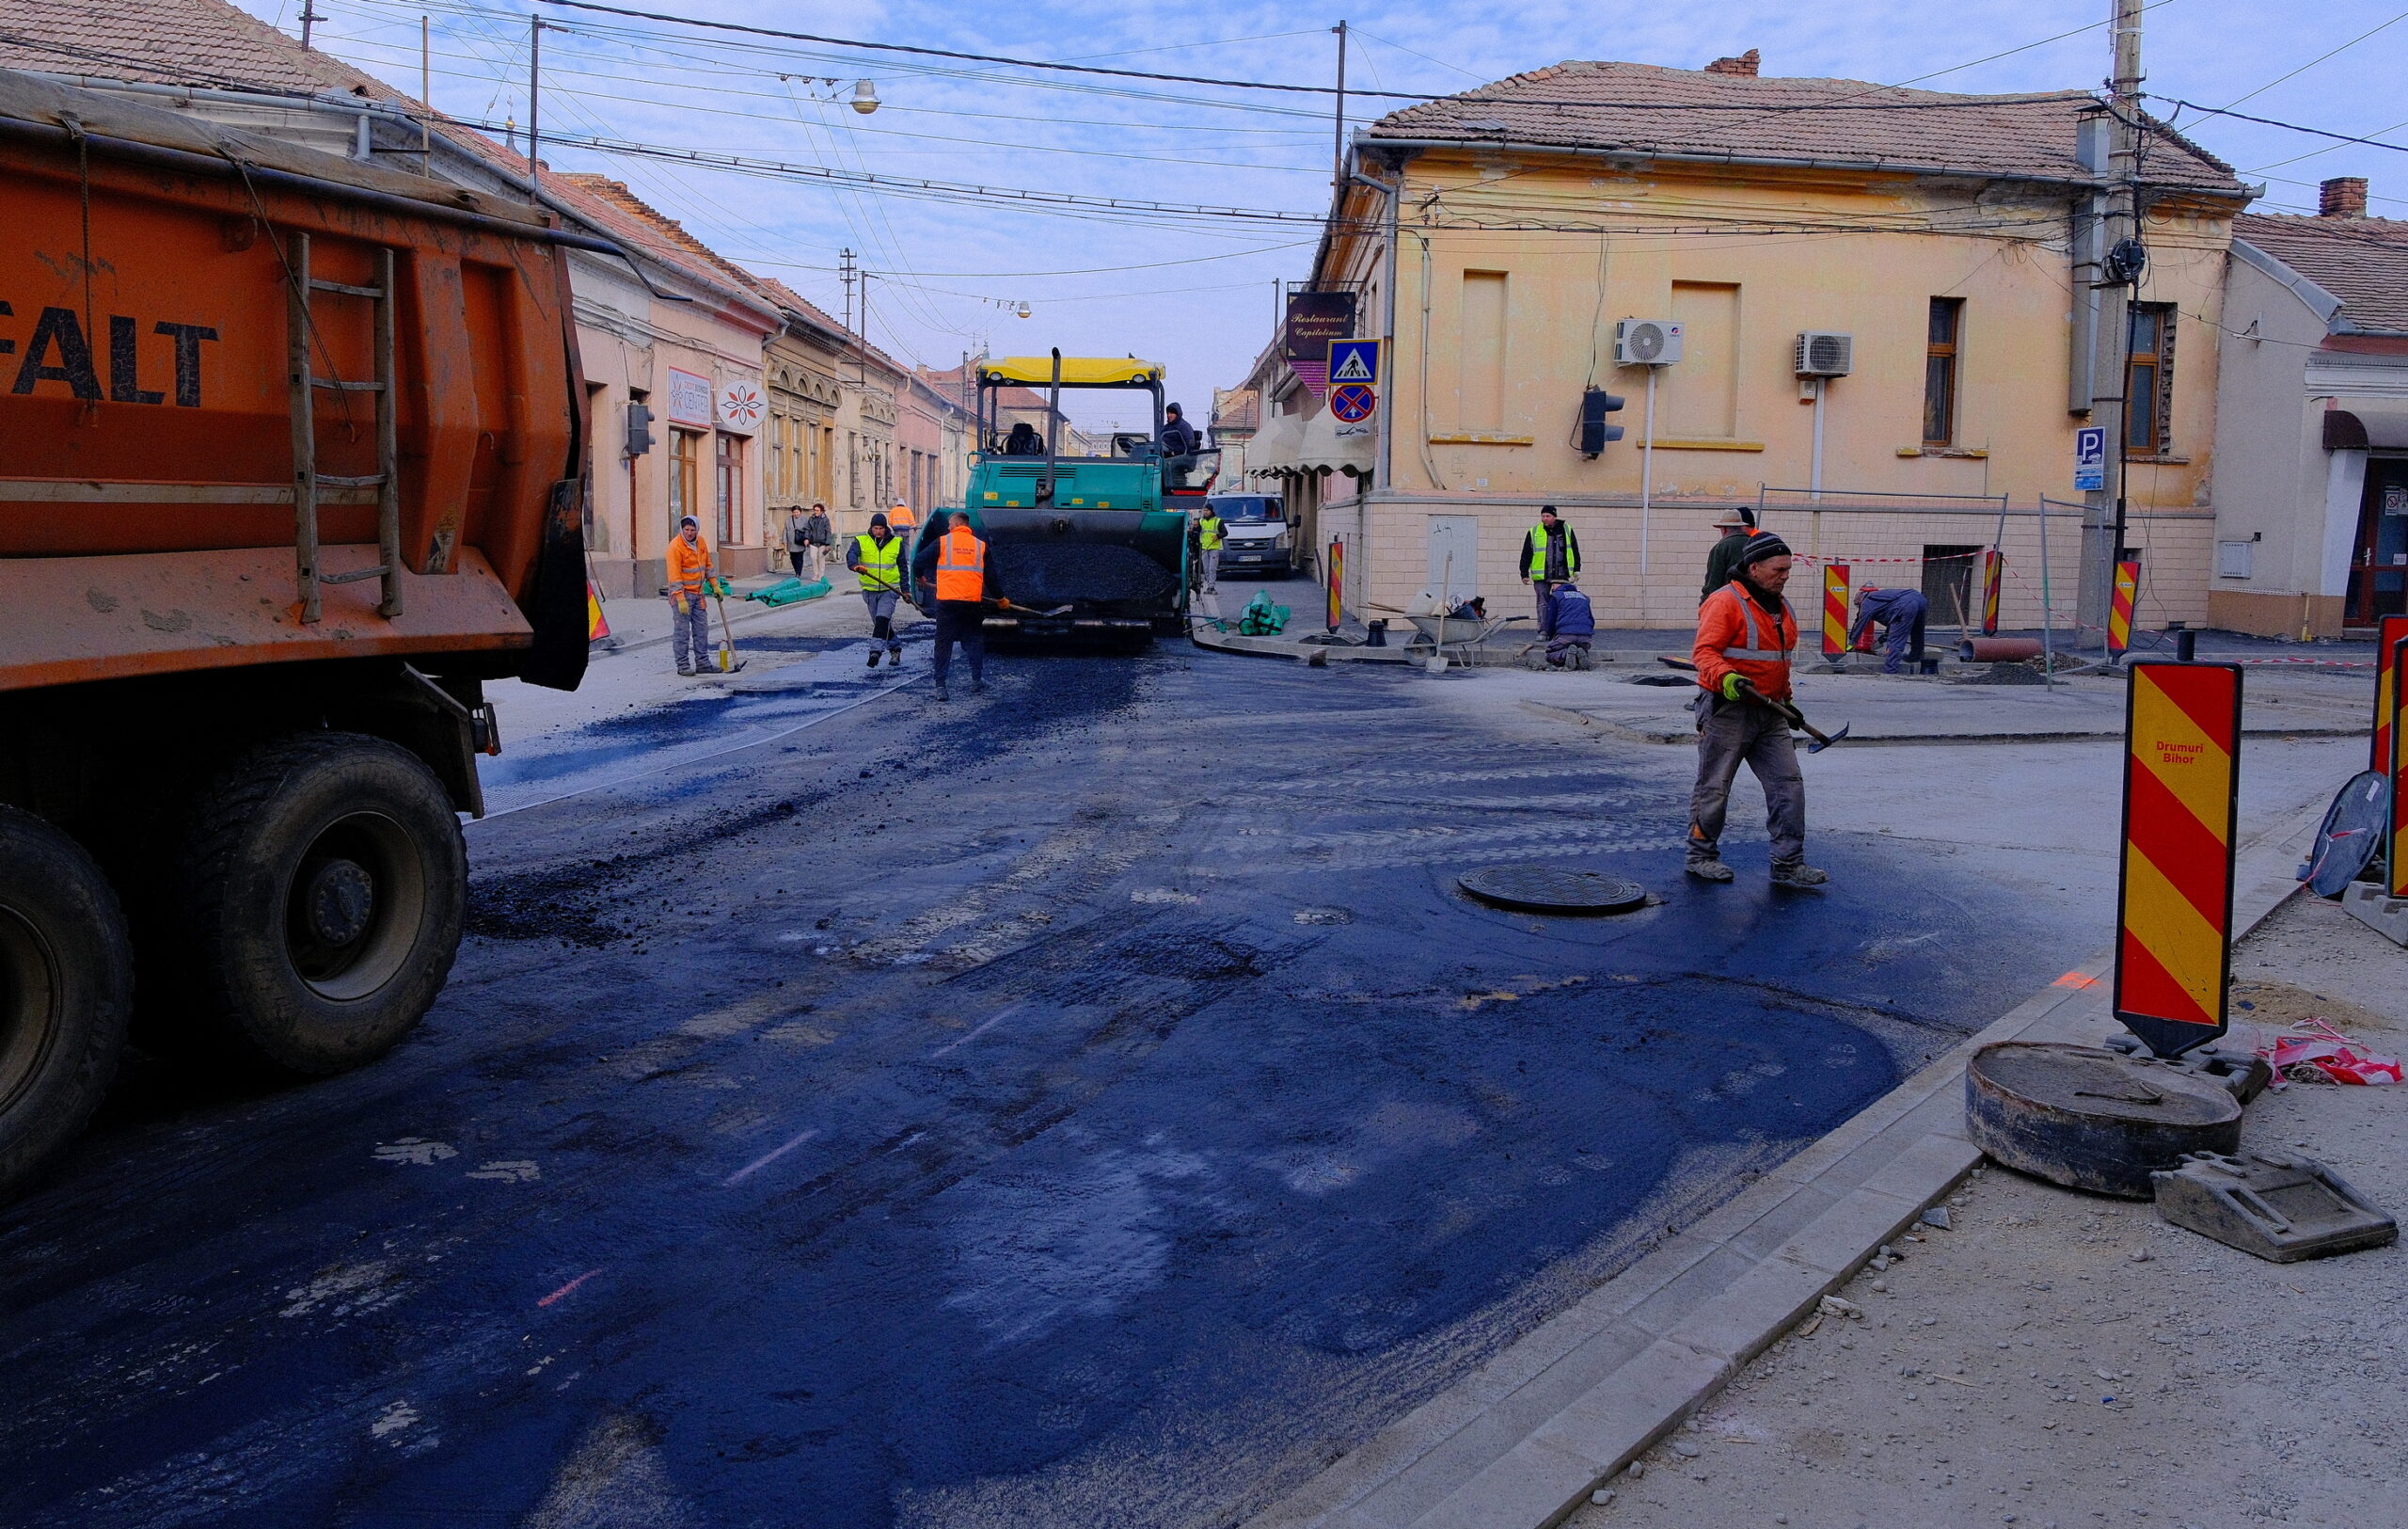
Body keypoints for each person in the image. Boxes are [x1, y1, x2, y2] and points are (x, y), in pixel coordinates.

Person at [1687, 534, 1828, 889]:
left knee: (1788, 786)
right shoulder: (1726, 602)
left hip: (1770, 711)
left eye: (1788, 570)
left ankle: (1788, 864)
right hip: (1728, 710)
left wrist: (1786, 700)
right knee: (1714, 786)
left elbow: (1779, 662)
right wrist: (1727, 677)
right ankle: (1701, 856)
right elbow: (1704, 654)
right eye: (1778, 569)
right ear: (1754, 568)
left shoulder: (1782, 607)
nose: (1785, 576)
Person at [911, 510, 988, 701]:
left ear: (955, 525)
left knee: (943, 643)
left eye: (949, 525)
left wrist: (920, 576)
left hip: (947, 602)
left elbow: (918, 560)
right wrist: (1001, 598)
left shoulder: (943, 542)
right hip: (971, 602)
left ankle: (940, 687)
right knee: (973, 640)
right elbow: (991, 576)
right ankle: (977, 681)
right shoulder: (980, 546)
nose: (947, 527)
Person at [848, 511, 905, 667]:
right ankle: (895, 649)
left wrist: (905, 590)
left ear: (886, 528)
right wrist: (855, 566)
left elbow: (903, 568)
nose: (878, 531)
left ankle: (875, 652)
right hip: (870, 590)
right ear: (871, 528)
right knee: (880, 623)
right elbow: (851, 555)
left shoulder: (897, 542)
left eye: (881, 528)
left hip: (890, 590)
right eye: (875, 528)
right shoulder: (860, 541)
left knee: (882, 620)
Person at [664, 513, 715, 677]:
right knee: (682, 632)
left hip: (698, 594)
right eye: (686, 530)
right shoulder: (675, 547)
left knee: (702, 630)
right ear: (682, 529)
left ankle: (703, 663)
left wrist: (714, 584)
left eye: (693, 530)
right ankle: (683, 665)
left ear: (697, 529)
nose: (689, 533)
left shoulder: (701, 542)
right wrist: (680, 598)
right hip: (682, 596)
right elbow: (674, 575)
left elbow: (708, 564)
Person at [1518, 505, 1581, 623]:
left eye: (1548, 516)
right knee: (1543, 604)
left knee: (1561, 603)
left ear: (1554, 517)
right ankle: (1543, 630)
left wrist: (1577, 569)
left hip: (1561, 575)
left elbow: (1575, 550)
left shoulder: (1566, 530)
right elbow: (1526, 554)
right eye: (1543, 516)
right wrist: (1524, 573)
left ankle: (1559, 629)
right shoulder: (1534, 532)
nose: (1544, 518)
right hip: (1542, 576)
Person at [1849, 586, 1930, 675]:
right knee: (1917, 633)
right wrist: (1884, 637)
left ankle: (1890, 670)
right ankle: (1915, 657)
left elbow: (1860, 622)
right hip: (1921, 599)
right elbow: (1891, 615)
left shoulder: (1867, 602)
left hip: (1906, 605)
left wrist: (1851, 643)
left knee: (1896, 640)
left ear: (1859, 600)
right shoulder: (1880, 597)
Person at [1700, 507, 1759, 603]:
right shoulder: (1755, 544)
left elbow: (1713, 583)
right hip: (1755, 603)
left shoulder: (1720, 548)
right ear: (1741, 527)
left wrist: (1704, 604)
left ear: (1724, 529)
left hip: (1729, 604)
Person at [1540, 580, 1595, 669]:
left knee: (1550, 653)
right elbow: (1591, 619)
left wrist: (1550, 636)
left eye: (1553, 585)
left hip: (1565, 635)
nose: (1552, 588)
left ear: (1558, 585)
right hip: (1585, 636)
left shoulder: (1556, 596)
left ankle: (1565, 655)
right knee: (1579, 648)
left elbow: (1551, 619)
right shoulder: (1584, 597)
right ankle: (1579, 654)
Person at [1192, 502, 1225, 620]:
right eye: (1204, 510)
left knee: (1212, 568)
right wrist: (1193, 530)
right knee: (1205, 568)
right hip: (1204, 547)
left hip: (1214, 547)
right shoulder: (1201, 521)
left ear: (1211, 511)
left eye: (1207, 510)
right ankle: (1208, 585)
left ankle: (1211, 587)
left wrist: (1218, 536)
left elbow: (1225, 532)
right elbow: (1197, 532)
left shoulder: (1218, 521)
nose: (1205, 512)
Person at [1161, 402, 1201, 487]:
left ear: (1177, 414)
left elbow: (1189, 445)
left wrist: (1174, 452)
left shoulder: (1184, 427)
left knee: (1174, 481)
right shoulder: (1165, 428)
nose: (1169, 415)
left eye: (1172, 413)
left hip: (1178, 458)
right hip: (1164, 457)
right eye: (1168, 413)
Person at [803, 502, 833, 580]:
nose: (815, 512)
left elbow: (828, 532)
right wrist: (806, 538)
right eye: (815, 510)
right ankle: (816, 573)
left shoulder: (825, 520)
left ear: (821, 511)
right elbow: (807, 529)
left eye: (817, 510)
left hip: (822, 542)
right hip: (813, 541)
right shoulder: (811, 519)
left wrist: (827, 543)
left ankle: (821, 574)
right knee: (813, 557)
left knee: (821, 557)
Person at [782, 506, 811, 581]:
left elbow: (808, 530)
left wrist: (807, 539)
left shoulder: (805, 519)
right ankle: (796, 570)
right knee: (793, 558)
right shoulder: (788, 520)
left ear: (800, 512)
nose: (796, 514)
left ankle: (798, 573)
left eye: (797, 512)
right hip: (791, 542)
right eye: (794, 512)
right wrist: (785, 541)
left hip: (800, 541)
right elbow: (785, 530)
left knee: (799, 558)